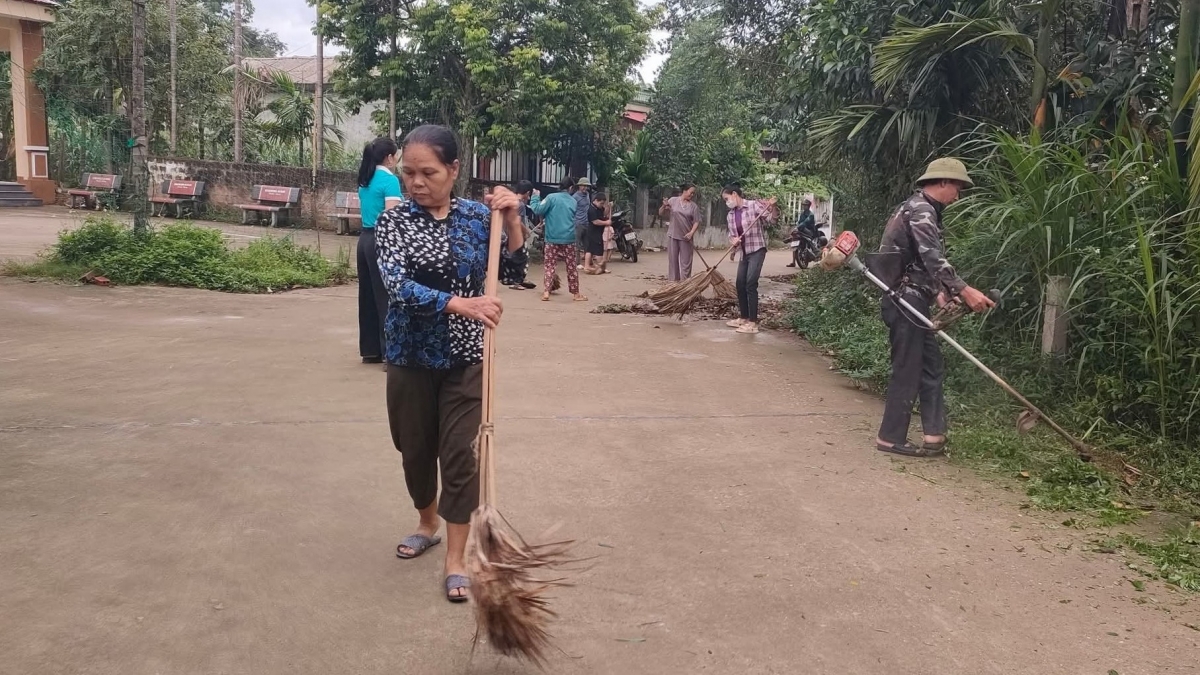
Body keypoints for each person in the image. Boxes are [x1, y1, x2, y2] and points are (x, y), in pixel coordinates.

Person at [374, 124, 527, 603]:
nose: (416, 183)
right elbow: (397, 287)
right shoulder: (393, 222)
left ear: (454, 169)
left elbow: (514, 267)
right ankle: (427, 520)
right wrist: (461, 303)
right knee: (413, 448)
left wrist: (514, 219)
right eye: (408, 173)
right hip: (409, 356)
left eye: (428, 172)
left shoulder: (477, 218)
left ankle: (455, 558)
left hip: (466, 357)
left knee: (459, 454)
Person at [874, 158, 995, 458]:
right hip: (904, 301)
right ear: (942, 182)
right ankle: (889, 438)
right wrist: (965, 291)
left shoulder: (919, 208)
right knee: (908, 369)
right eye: (958, 187)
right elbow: (932, 258)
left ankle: (934, 435)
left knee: (930, 366)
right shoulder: (922, 210)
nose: (959, 195)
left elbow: (920, 262)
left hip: (913, 298)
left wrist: (941, 294)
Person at [355, 136, 403, 364]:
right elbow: (390, 217)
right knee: (387, 295)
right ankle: (390, 353)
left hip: (364, 240)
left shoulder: (365, 178)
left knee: (367, 296)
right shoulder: (389, 180)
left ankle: (370, 349)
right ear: (389, 157)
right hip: (380, 240)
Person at [723, 183, 778, 335]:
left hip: (757, 250)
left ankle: (753, 323)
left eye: (726, 198)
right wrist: (733, 241)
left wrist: (772, 207)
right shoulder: (731, 215)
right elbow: (731, 234)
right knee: (740, 283)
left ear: (734, 194)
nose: (726, 202)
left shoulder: (754, 206)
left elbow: (771, 220)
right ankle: (744, 317)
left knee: (750, 283)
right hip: (745, 252)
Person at [530, 177, 588, 302]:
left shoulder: (551, 198)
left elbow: (538, 209)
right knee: (571, 266)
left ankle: (546, 292)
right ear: (571, 188)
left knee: (549, 265)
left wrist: (535, 197)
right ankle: (576, 294)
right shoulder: (573, 201)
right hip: (569, 238)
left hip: (552, 238)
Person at [659, 183, 701, 281]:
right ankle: (674, 284)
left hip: (686, 237)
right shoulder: (673, 201)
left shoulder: (693, 207)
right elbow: (661, 213)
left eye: (693, 193)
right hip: (673, 235)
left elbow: (696, 221)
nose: (692, 195)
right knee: (673, 262)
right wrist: (664, 206)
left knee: (686, 263)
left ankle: (685, 284)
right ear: (685, 191)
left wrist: (691, 233)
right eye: (691, 192)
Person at [508, 180, 539, 291]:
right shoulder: (520, 204)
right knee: (521, 258)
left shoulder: (513, 201)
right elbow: (517, 221)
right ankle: (516, 281)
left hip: (511, 234)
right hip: (518, 235)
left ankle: (519, 279)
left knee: (518, 257)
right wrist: (526, 231)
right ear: (527, 192)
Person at [584, 192, 611, 274]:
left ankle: (587, 266)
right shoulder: (591, 210)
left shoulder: (599, 207)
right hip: (593, 232)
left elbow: (604, 214)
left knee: (590, 249)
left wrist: (609, 207)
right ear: (596, 200)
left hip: (598, 232)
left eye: (603, 203)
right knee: (599, 251)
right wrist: (606, 223)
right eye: (601, 203)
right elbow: (595, 222)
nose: (602, 205)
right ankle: (601, 267)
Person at [787, 198, 818, 268]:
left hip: (809, 231)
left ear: (808, 206)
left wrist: (798, 227)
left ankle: (814, 251)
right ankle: (793, 262)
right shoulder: (802, 214)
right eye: (803, 205)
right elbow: (800, 222)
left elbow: (805, 222)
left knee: (800, 229)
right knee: (795, 241)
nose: (804, 206)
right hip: (802, 230)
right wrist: (797, 226)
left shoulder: (811, 215)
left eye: (805, 205)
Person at [573, 177, 592, 265]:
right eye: (583, 186)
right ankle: (577, 263)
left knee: (587, 244)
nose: (585, 188)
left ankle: (589, 262)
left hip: (587, 223)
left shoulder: (587, 195)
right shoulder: (575, 197)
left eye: (587, 186)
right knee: (577, 244)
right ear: (579, 186)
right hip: (578, 223)